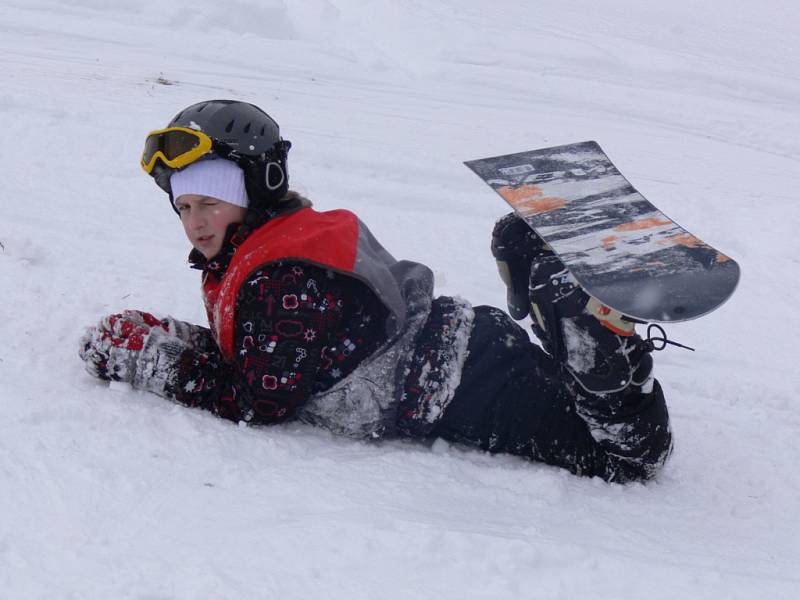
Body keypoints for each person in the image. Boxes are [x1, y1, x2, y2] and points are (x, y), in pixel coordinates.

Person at [79, 100, 673, 483]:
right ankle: (551, 281)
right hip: (464, 351)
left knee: (628, 457)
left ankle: (583, 322)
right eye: (183, 207)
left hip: (455, 385)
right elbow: (264, 356)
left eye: (210, 202)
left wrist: (147, 358)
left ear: (259, 186)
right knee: (585, 415)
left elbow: (261, 400)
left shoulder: (283, 278)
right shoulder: (278, 248)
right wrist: (172, 335)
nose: (196, 221)